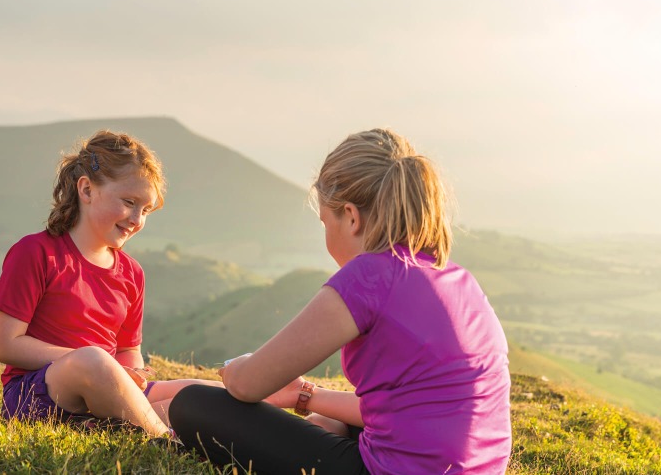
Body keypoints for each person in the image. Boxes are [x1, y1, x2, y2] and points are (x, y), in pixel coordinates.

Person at [167, 128, 512, 473]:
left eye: (325, 221)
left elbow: (246, 386)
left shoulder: (369, 276)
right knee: (328, 423)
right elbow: (405, 408)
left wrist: (236, 367)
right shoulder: (456, 278)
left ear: (350, 216)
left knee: (193, 404)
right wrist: (306, 396)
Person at [0, 130, 214, 438]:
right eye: (129, 202)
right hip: (39, 394)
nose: (136, 219)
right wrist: (97, 364)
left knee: (199, 391)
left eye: (145, 210)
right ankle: (165, 439)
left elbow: (128, 351)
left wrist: (129, 374)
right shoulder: (35, 253)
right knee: (92, 359)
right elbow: (5, 344)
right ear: (86, 190)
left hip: (105, 388)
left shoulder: (132, 273)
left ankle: (294, 399)